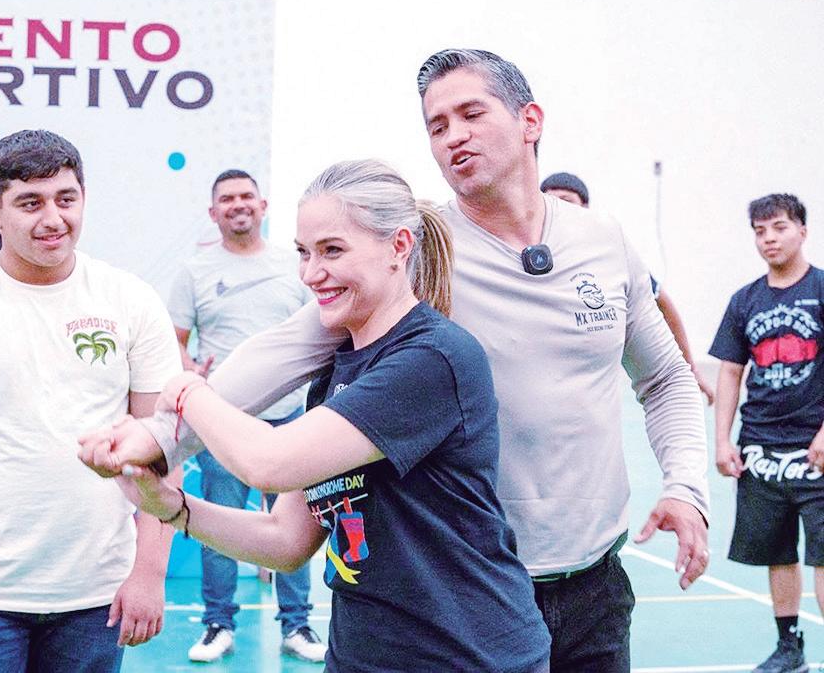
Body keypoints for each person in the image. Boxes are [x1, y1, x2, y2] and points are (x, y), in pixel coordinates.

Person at [94, 49, 712, 672]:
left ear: (530, 120)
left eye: (471, 113)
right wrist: (161, 438)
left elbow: (665, 378)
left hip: (594, 582)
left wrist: (686, 486)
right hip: (474, 588)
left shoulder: (603, 240)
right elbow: (284, 352)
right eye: (437, 125)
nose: (454, 135)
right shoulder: (416, 258)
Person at [83, 159, 552, 672]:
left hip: (467, 657)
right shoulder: (337, 372)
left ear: (398, 247)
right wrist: (172, 507)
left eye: (332, 250)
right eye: (304, 253)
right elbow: (285, 540)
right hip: (363, 655)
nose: (311, 273)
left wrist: (186, 393)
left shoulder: (432, 359)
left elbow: (270, 463)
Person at [0, 130, 182, 671]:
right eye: (30, 203)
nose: (53, 218)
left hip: (98, 597)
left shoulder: (132, 301)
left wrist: (149, 573)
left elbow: (163, 445)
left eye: (66, 199)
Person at [168, 169, 323, 663]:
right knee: (219, 527)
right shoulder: (194, 271)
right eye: (227, 199)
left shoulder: (293, 266)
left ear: (263, 205)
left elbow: (321, 330)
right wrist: (192, 373)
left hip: (291, 422)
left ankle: (297, 626)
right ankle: (218, 624)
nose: (238, 204)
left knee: (295, 527)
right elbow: (176, 341)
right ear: (213, 213)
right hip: (223, 427)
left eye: (246, 196)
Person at [710, 193, 823, 673]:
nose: (768, 239)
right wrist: (722, 440)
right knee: (779, 553)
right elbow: (730, 372)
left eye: (778, 227)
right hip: (761, 448)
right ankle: (789, 647)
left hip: (816, 449)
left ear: (802, 231)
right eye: (759, 231)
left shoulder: (821, 289)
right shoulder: (745, 300)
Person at [540, 171, 717, 404]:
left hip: (594, 387)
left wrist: (690, 368)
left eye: (566, 201)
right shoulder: (533, 259)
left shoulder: (610, 256)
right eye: (550, 202)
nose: (559, 210)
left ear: (586, 208)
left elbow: (662, 303)